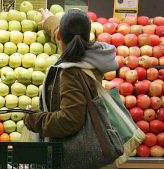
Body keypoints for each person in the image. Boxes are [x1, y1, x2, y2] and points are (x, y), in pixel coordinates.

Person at [23, 8, 119, 169]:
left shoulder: (71, 72)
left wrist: (33, 119)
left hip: (74, 158)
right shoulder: (93, 55)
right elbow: (67, 37)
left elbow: (69, 120)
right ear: (88, 35)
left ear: (60, 36)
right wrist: (50, 20)